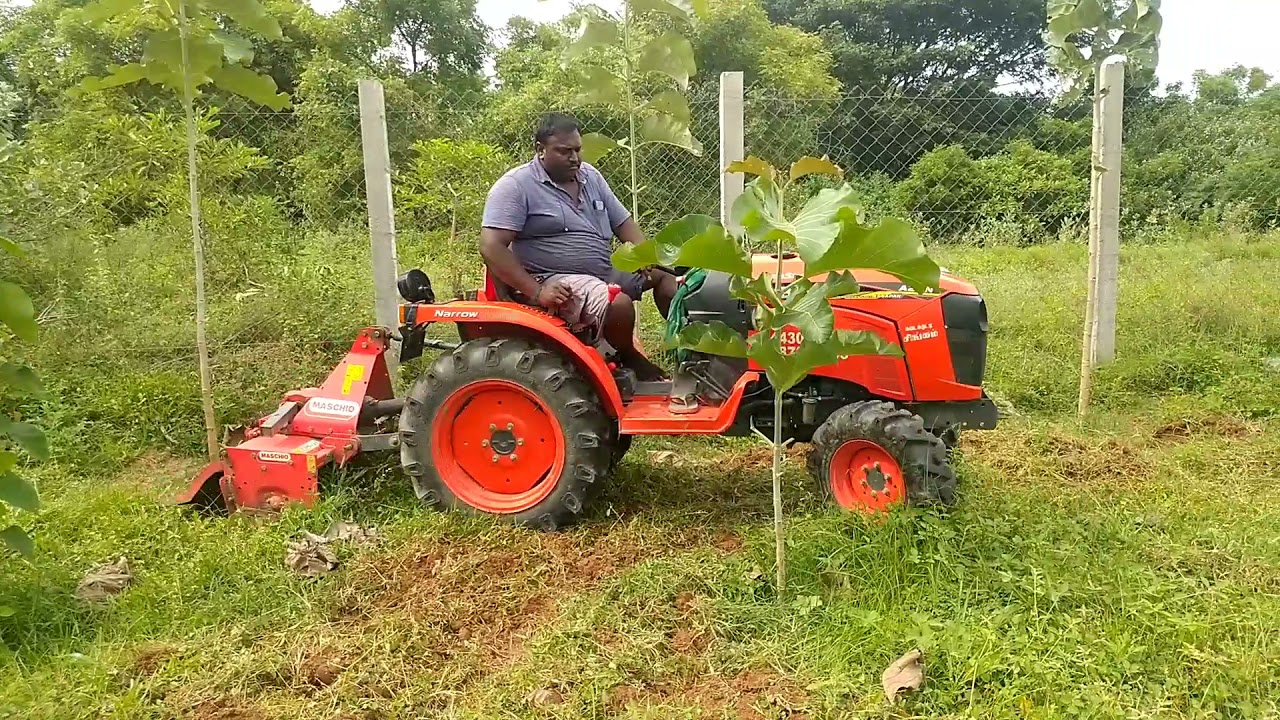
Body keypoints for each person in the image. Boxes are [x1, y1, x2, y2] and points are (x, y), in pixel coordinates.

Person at [479, 112, 677, 381]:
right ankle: (628, 356)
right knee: (617, 304)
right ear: (540, 150)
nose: (574, 157)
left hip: (603, 270)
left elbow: (623, 223)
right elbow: (491, 247)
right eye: (564, 151)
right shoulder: (516, 186)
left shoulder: (590, 177)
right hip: (554, 279)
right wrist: (537, 292)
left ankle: (686, 355)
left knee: (670, 279)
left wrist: (643, 254)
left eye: (577, 149)